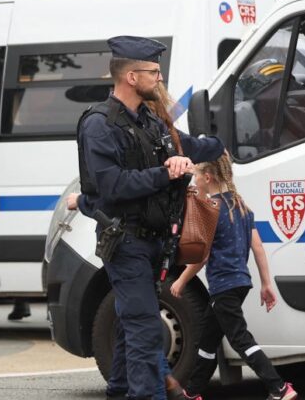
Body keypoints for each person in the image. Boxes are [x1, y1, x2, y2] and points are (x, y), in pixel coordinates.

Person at [66, 35, 225, 400]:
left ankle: (120, 389)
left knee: (130, 323)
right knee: (144, 329)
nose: (159, 78)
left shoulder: (149, 120)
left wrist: (217, 144)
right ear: (131, 77)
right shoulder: (99, 124)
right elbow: (110, 187)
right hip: (126, 241)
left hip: (154, 241)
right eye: (153, 72)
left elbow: (184, 145)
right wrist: (166, 173)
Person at [170, 155, 297, 400]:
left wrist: (181, 280)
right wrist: (266, 284)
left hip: (223, 285)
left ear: (207, 178)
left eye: (196, 176)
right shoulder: (242, 207)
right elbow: (258, 247)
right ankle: (193, 393)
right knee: (208, 342)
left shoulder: (211, 210)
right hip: (240, 283)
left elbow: (202, 256)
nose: (194, 181)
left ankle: (279, 388)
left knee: (240, 339)